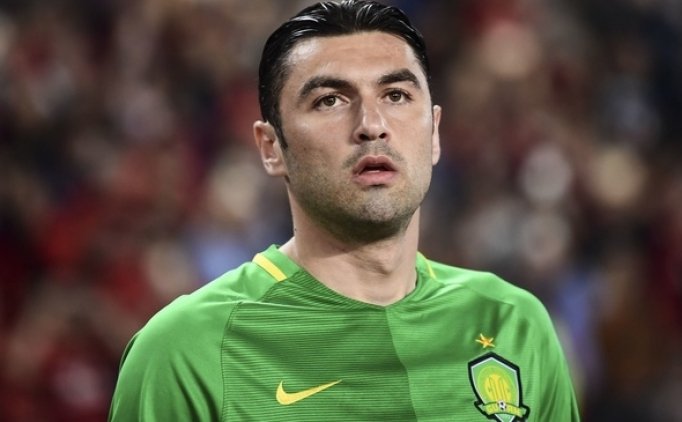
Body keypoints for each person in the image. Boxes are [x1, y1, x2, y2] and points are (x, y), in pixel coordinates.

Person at [108, 0, 580, 420]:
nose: (372, 125)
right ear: (271, 148)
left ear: (434, 132)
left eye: (396, 95)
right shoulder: (187, 352)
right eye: (329, 101)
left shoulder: (513, 324)